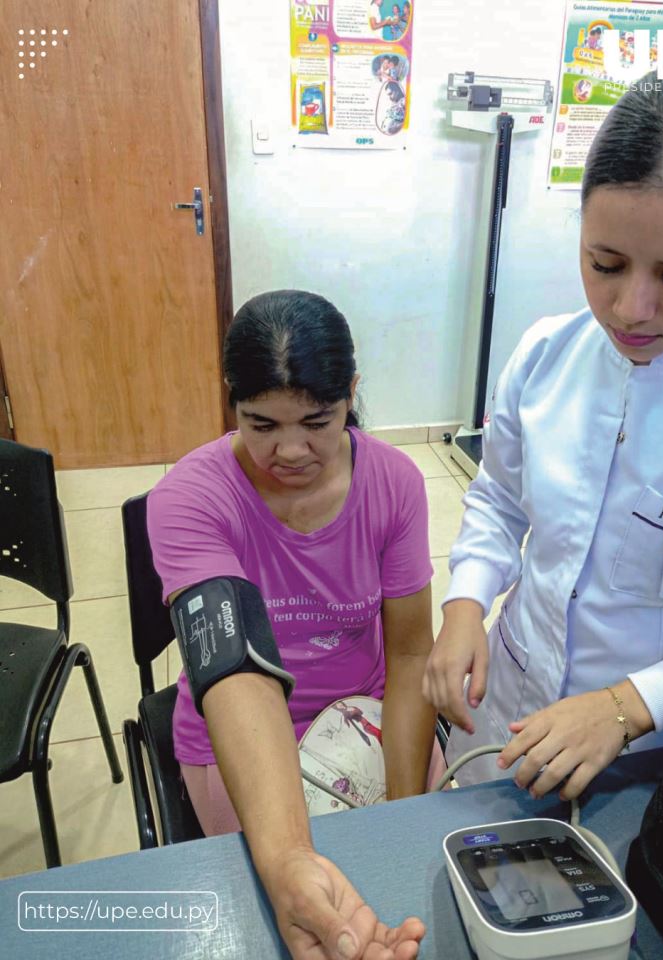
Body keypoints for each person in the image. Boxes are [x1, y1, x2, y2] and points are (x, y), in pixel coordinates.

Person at [423, 59, 663, 799]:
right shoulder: (547, 354)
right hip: (513, 705)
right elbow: (499, 502)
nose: (630, 309)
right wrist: (464, 605)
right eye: (603, 262)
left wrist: (628, 706)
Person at [148, 290, 435, 960]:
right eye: (261, 424)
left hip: (366, 709)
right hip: (240, 735)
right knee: (288, 913)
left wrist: (400, 805)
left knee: (406, 884)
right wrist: (286, 859)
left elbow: (413, 653)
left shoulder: (394, 483)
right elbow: (234, 668)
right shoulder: (190, 498)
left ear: (351, 395)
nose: (291, 450)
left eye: (317, 421)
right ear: (231, 403)